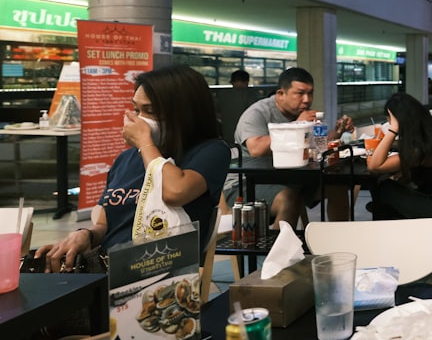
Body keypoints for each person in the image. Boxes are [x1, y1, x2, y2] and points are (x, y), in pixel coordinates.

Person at [36, 66, 230, 272]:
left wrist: (146, 144)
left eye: (151, 111)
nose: (139, 119)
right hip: (109, 269)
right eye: (136, 110)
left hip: (161, 272)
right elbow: (105, 225)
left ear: (184, 113)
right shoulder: (126, 159)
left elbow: (175, 192)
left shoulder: (210, 151)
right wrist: (85, 235)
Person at [224, 66, 319, 226]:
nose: (307, 100)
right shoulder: (257, 114)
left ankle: (340, 243)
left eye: (310, 93)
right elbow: (256, 149)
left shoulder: (299, 113)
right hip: (244, 183)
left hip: (285, 176)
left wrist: (335, 133)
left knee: (336, 185)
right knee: (290, 198)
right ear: (281, 94)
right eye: (300, 93)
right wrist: (297, 125)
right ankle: (278, 249)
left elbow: (313, 145)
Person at [365, 92, 432, 219]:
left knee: (384, 188)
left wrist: (393, 130)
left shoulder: (420, 149)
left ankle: (387, 232)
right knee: (388, 195)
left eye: (390, 120)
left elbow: (374, 166)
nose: (389, 123)